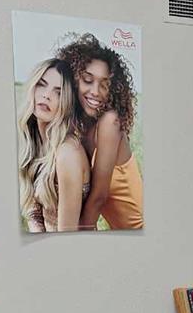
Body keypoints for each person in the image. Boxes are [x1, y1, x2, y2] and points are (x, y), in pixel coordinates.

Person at [56, 34, 143, 230]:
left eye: (104, 85)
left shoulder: (109, 122)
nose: (95, 91)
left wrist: (79, 239)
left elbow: (98, 197)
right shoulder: (79, 129)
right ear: (73, 81)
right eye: (88, 80)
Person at [17, 58, 90, 233]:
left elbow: (66, 237)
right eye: (41, 85)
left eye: (58, 92)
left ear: (67, 104)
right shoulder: (37, 147)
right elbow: (35, 219)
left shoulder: (68, 153)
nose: (46, 95)